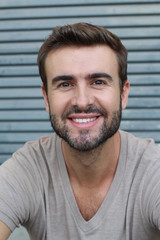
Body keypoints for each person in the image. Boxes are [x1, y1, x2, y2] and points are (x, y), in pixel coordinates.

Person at [0, 22, 160, 240]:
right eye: (65, 84)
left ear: (123, 94)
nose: (82, 101)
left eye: (98, 82)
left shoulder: (151, 170)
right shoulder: (31, 168)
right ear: (46, 98)